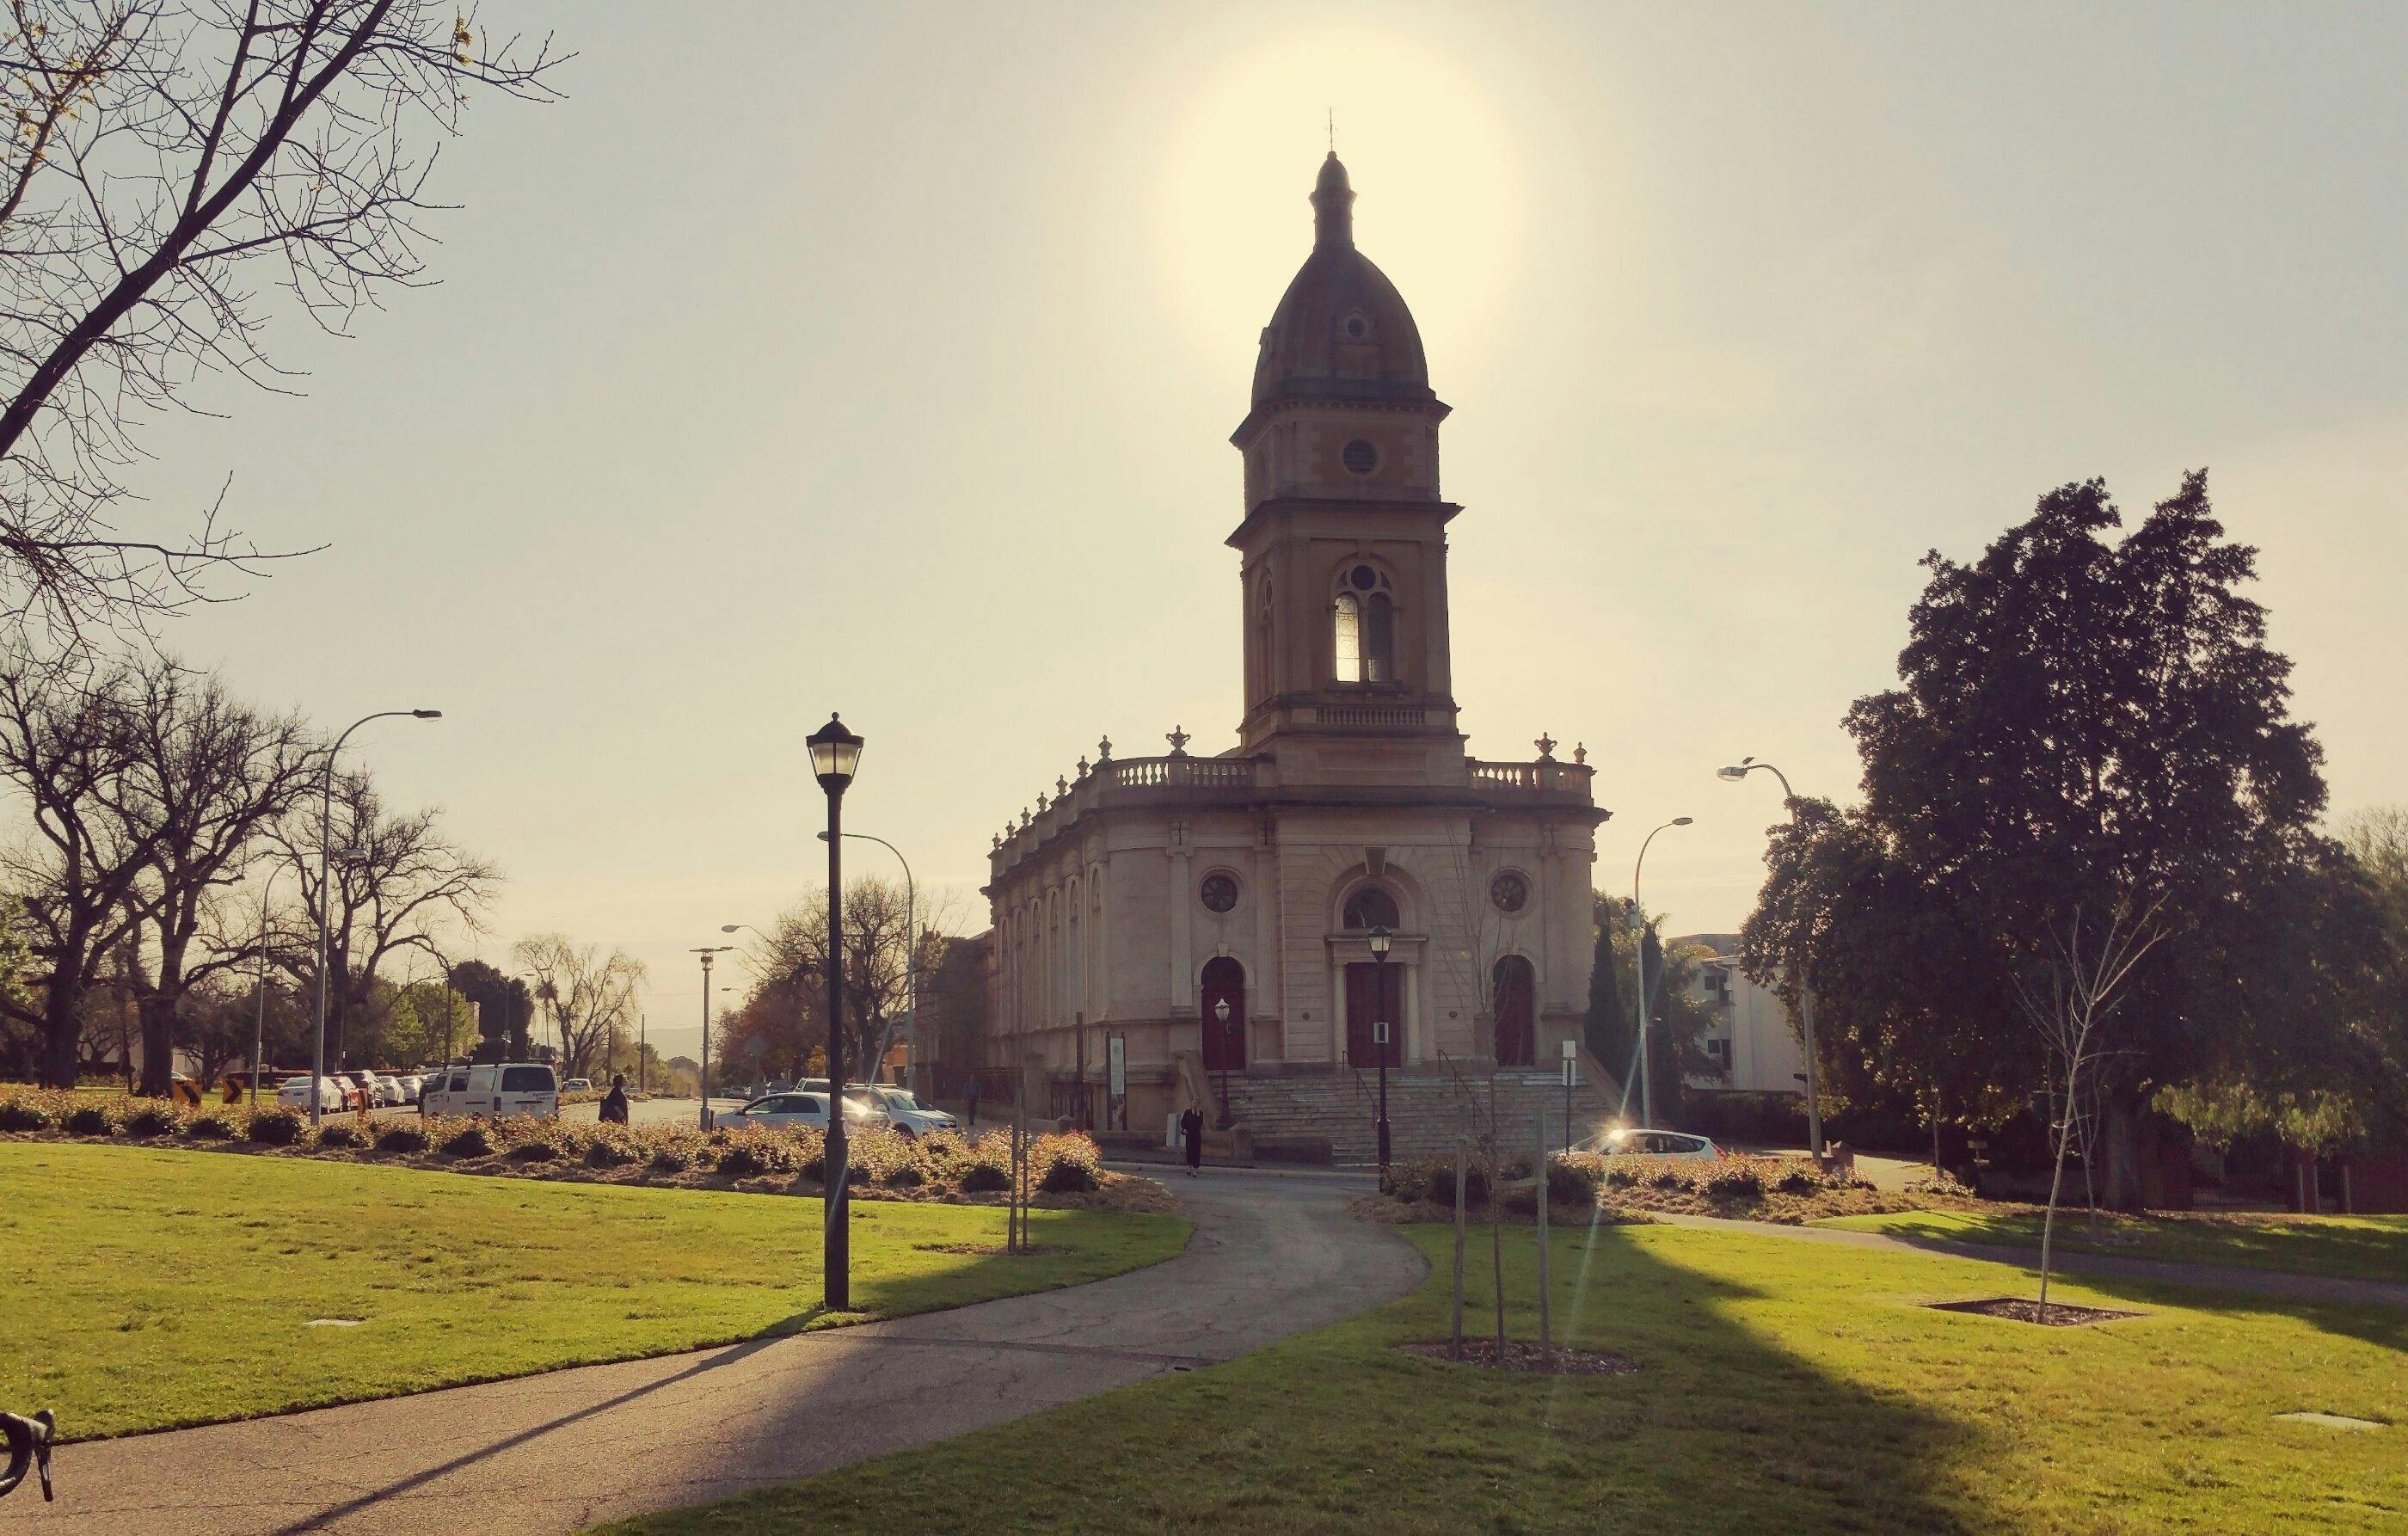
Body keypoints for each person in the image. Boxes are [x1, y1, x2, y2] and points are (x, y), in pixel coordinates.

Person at [1179, 1103, 1204, 1177]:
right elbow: (1183, 1121)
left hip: (1196, 1135)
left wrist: (1198, 1113)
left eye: (1196, 1104)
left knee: (1196, 1152)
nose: (1195, 1105)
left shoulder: (1200, 1113)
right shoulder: (1187, 1112)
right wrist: (1184, 1129)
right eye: (1194, 1103)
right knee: (1189, 1151)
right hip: (1189, 1134)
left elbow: (1200, 1122)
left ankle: (1195, 1170)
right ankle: (1189, 1168)